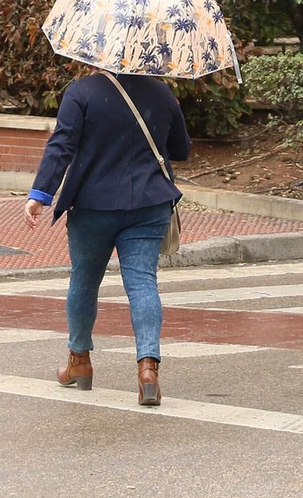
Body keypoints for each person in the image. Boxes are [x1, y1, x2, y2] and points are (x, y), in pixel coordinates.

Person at [24, 70, 190, 405]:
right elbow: (181, 149)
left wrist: (40, 194)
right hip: (148, 202)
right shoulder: (161, 93)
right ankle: (148, 369)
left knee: (84, 280)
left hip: (93, 205)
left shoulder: (81, 92)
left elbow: (63, 145)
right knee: (143, 282)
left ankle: (79, 362)